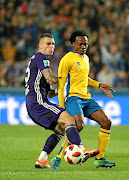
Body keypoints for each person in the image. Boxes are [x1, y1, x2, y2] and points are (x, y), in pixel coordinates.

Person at [25, 33, 100, 169]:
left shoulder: (35, 60)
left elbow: (49, 91)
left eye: (53, 44)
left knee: (61, 130)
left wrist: (62, 88)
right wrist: (64, 78)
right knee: (70, 120)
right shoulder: (42, 58)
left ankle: (42, 160)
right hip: (38, 102)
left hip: (35, 102)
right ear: (40, 45)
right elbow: (50, 79)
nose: (51, 46)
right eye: (48, 44)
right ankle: (81, 149)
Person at [50, 30, 117, 170]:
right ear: (73, 43)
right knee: (78, 125)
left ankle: (100, 159)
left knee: (106, 122)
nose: (83, 47)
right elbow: (61, 85)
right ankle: (58, 157)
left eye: (85, 44)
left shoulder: (86, 58)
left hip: (86, 97)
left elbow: (84, 79)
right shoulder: (67, 59)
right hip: (73, 98)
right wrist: (62, 108)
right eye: (80, 44)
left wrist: (99, 85)